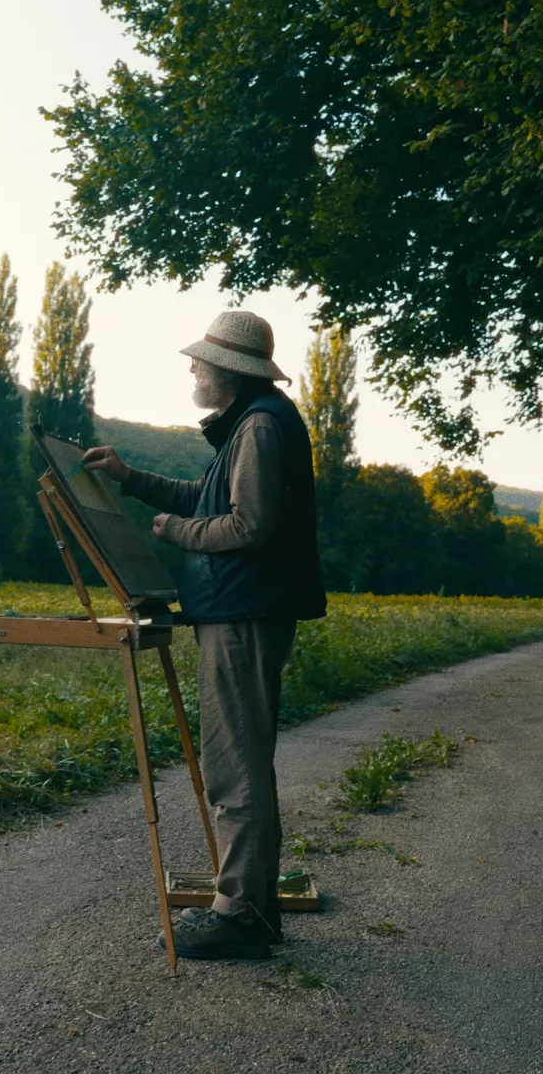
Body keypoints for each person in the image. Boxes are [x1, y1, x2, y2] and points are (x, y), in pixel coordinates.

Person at [81, 309, 326, 960]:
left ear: (228, 371)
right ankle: (254, 906)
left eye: (201, 361)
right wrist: (130, 479)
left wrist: (175, 533)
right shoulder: (255, 422)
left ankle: (240, 916)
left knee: (235, 768)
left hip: (243, 615)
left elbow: (248, 525)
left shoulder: (260, 427)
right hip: (245, 611)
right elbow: (207, 497)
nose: (192, 368)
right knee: (243, 761)